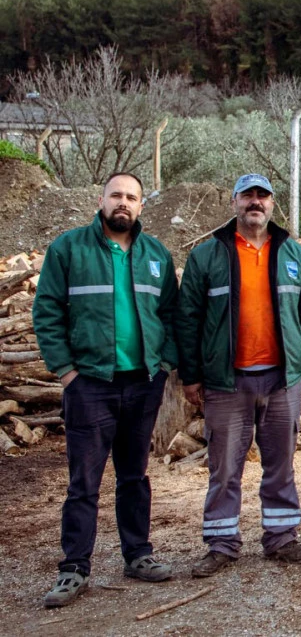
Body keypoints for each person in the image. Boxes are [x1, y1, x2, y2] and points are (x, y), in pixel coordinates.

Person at [34, 172, 178, 608]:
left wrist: (164, 366)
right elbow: (47, 312)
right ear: (101, 200)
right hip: (90, 385)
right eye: (116, 195)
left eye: (131, 197)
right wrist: (66, 373)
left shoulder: (155, 253)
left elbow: (171, 315)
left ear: (140, 206)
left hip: (142, 384)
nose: (123, 203)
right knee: (84, 482)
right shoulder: (68, 248)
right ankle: (74, 568)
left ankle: (138, 555)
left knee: (135, 476)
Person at [177, 173, 301, 577]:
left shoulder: (293, 254)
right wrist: (191, 375)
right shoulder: (208, 255)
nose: (255, 202)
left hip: (282, 379)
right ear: (234, 203)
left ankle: (281, 539)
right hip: (227, 382)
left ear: (273, 204)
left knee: (281, 464)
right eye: (248, 196)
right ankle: (222, 543)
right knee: (224, 467)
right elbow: (187, 319)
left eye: (263, 196)